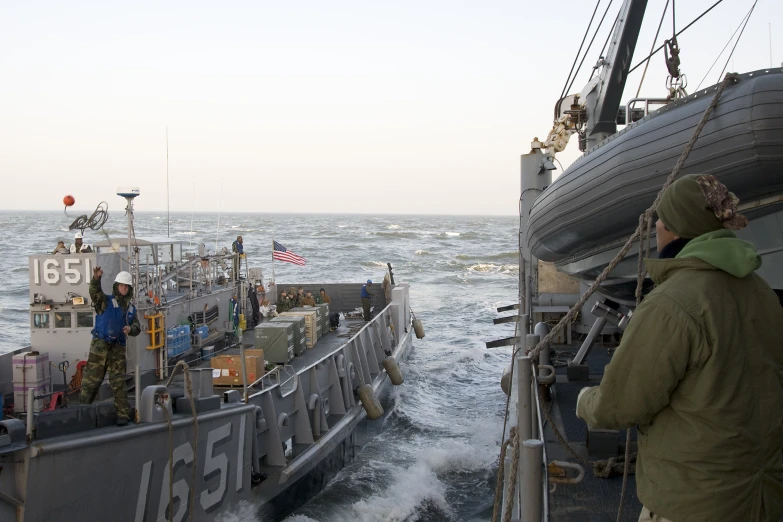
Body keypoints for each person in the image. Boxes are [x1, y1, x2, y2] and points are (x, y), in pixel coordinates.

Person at [576, 174, 783, 522]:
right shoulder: (761, 291)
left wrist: (584, 401)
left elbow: (620, 405)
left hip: (695, 500)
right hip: (761, 495)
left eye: (660, 219)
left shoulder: (671, 304)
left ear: (675, 229)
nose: (655, 227)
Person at [80, 268, 141, 426]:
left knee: (118, 382)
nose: (123, 288)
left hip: (118, 348)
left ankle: (123, 415)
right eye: (121, 285)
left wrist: (130, 329)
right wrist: (96, 278)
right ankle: (80, 412)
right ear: (116, 286)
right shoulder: (105, 302)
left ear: (129, 289)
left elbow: (137, 327)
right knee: (91, 381)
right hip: (100, 347)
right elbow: (95, 292)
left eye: (126, 286)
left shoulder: (131, 309)